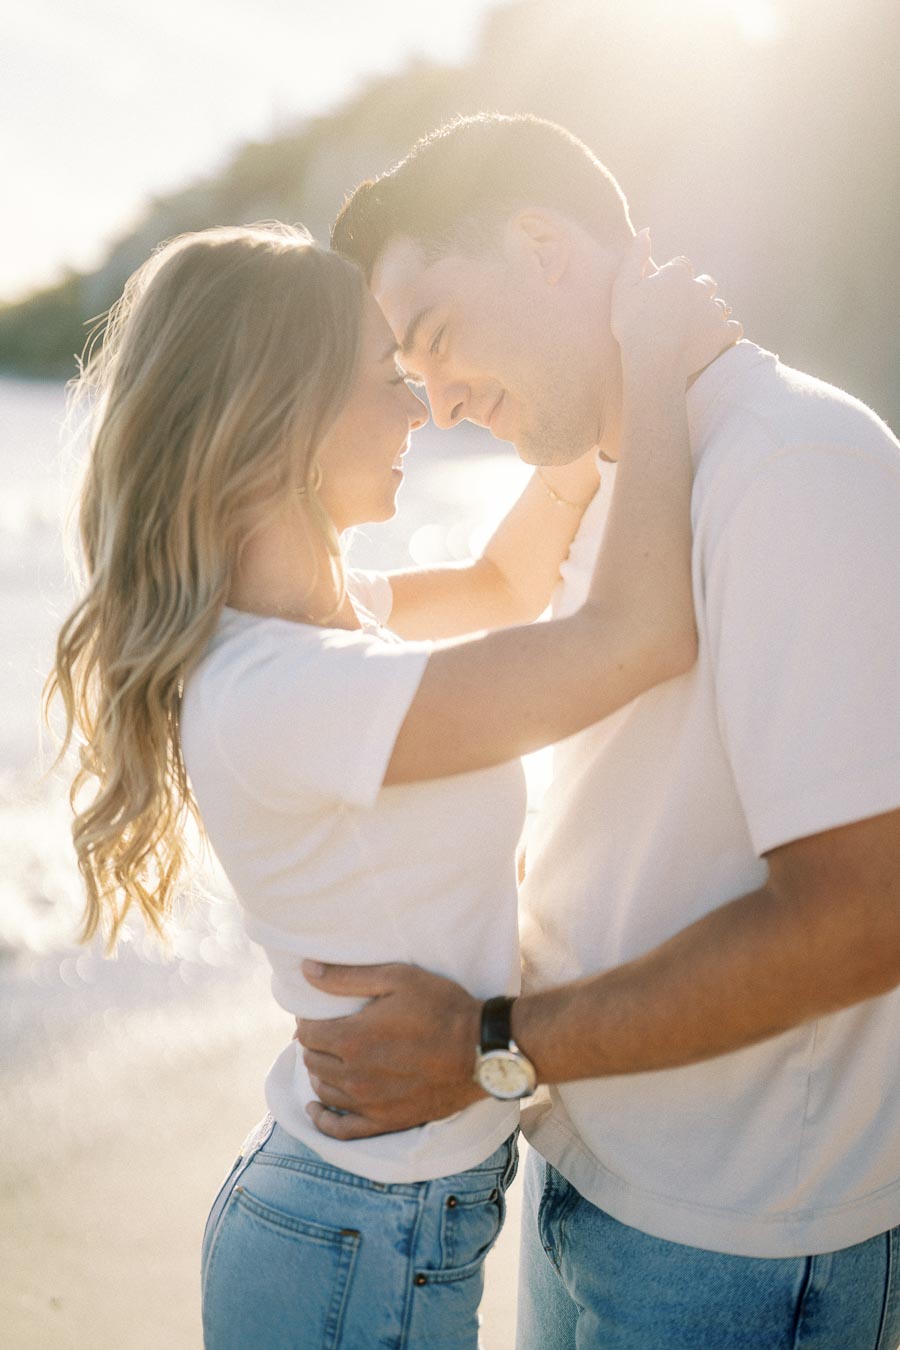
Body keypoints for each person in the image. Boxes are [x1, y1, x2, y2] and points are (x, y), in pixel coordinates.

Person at [46, 221, 735, 1349]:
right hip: (362, 1248)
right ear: (284, 423)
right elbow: (638, 637)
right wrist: (654, 368)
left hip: (367, 1229)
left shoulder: (315, 635)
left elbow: (509, 579)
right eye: (387, 382)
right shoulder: (287, 689)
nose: (420, 410)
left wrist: (590, 387)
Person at [294, 114, 900, 1348]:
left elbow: (866, 913)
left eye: (440, 339)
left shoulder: (796, 467)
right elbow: (501, 608)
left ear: (543, 246)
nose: (444, 400)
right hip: (596, 1178)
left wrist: (489, 1047)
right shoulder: (627, 480)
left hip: (736, 1249)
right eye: (413, 377)